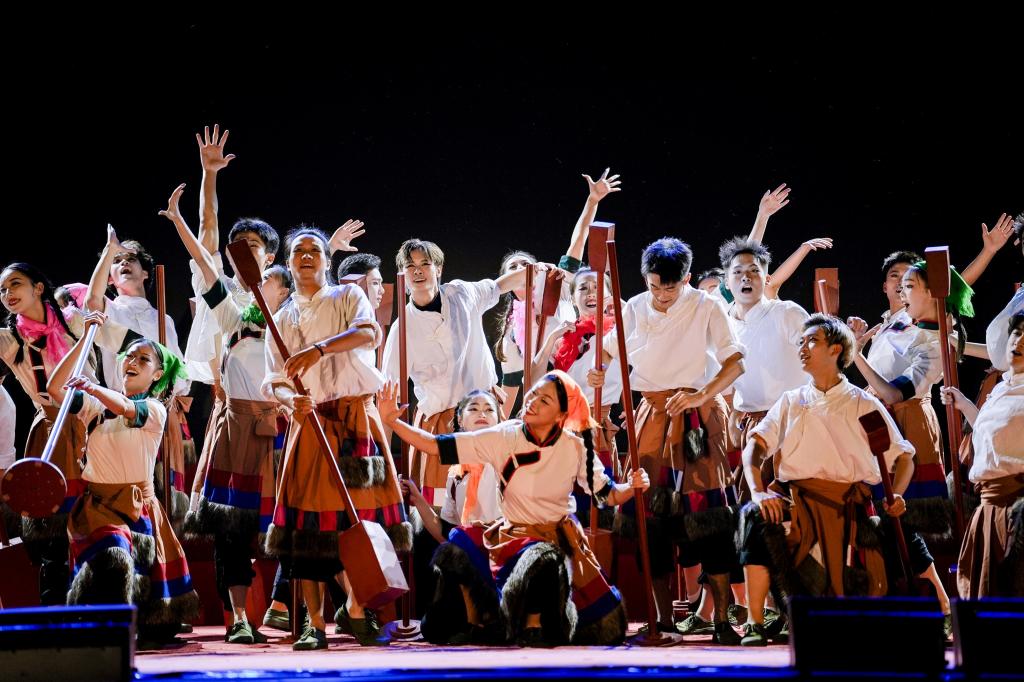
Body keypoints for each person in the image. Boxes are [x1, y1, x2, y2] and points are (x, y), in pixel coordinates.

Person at [379, 370, 648, 646]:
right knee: (458, 545)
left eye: (544, 400)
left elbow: (607, 494)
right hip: (511, 537)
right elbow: (436, 446)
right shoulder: (504, 436)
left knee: (598, 621)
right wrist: (392, 422)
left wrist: (631, 487)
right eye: (534, 394)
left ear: (560, 414)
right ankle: (477, 624)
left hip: (558, 541)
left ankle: (534, 626)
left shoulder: (576, 448)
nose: (532, 401)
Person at [591, 237, 745, 643]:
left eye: (670, 288)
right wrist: (598, 371)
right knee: (650, 519)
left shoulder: (707, 306)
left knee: (710, 517)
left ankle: (722, 619)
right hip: (652, 416)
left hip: (697, 418)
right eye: (654, 286)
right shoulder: (634, 307)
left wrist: (700, 395)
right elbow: (607, 352)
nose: (660, 295)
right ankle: (661, 618)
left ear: (687, 279)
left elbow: (735, 364)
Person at [262, 226, 409, 650]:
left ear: (327, 260)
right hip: (309, 422)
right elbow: (273, 380)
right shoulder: (280, 319)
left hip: (355, 417)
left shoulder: (348, 296)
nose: (306, 256)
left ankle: (357, 608)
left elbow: (368, 333)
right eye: (298, 251)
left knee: (366, 522)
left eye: (315, 250)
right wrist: (291, 401)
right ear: (288, 263)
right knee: (307, 532)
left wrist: (318, 349)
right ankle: (315, 624)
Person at [737, 314, 915, 646]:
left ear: (836, 350)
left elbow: (903, 457)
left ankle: (937, 611)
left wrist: (897, 496)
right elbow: (755, 447)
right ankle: (755, 621)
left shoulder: (862, 403)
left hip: (847, 508)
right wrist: (758, 492)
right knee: (754, 517)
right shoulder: (791, 400)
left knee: (901, 542)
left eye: (812, 341)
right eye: (801, 342)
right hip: (796, 503)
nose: (802, 348)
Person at [49, 313, 199, 645]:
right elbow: (54, 388)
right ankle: (108, 634)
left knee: (147, 601)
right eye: (129, 356)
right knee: (113, 556)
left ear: (157, 374)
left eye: (143, 359)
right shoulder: (94, 407)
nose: (132, 361)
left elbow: (126, 409)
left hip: (137, 506)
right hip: (98, 507)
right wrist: (84, 341)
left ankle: (125, 633)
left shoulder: (155, 409)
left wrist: (93, 387)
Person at [1, 262, 97, 604]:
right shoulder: (10, 340)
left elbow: (100, 301)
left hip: (93, 423)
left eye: (15, 284)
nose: (8, 293)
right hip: (50, 430)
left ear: (38, 287)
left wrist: (110, 252)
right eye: (2, 290)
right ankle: (55, 608)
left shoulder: (73, 322)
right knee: (53, 527)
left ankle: (100, 606)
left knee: (96, 520)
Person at [940, 313, 1024, 599]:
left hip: (1018, 513)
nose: (1018, 342)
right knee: (986, 604)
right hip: (988, 509)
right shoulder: (999, 388)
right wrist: (964, 405)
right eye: (1017, 333)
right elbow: (992, 440)